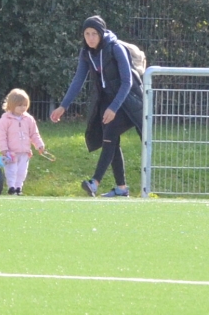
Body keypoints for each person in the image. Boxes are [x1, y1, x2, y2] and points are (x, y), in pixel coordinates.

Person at [50, 15, 141, 197]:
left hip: (127, 101)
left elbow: (127, 82)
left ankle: (94, 182)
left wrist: (113, 108)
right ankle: (121, 188)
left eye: (94, 34)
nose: (90, 38)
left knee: (110, 134)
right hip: (106, 101)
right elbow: (78, 80)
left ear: (101, 34)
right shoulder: (86, 53)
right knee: (111, 139)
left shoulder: (116, 48)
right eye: (87, 34)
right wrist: (63, 106)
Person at [0, 89, 51, 194]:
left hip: (25, 152)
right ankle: (11, 187)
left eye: (25, 105)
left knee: (22, 171)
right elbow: (2, 136)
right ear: (12, 105)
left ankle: (18, 187)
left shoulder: (29, 119)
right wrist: (3, 149)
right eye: (20, 105)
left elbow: (34, 134)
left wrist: (39, 144)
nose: (23, 107)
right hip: (11, 152)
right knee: (11, 170)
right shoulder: (5, 120)